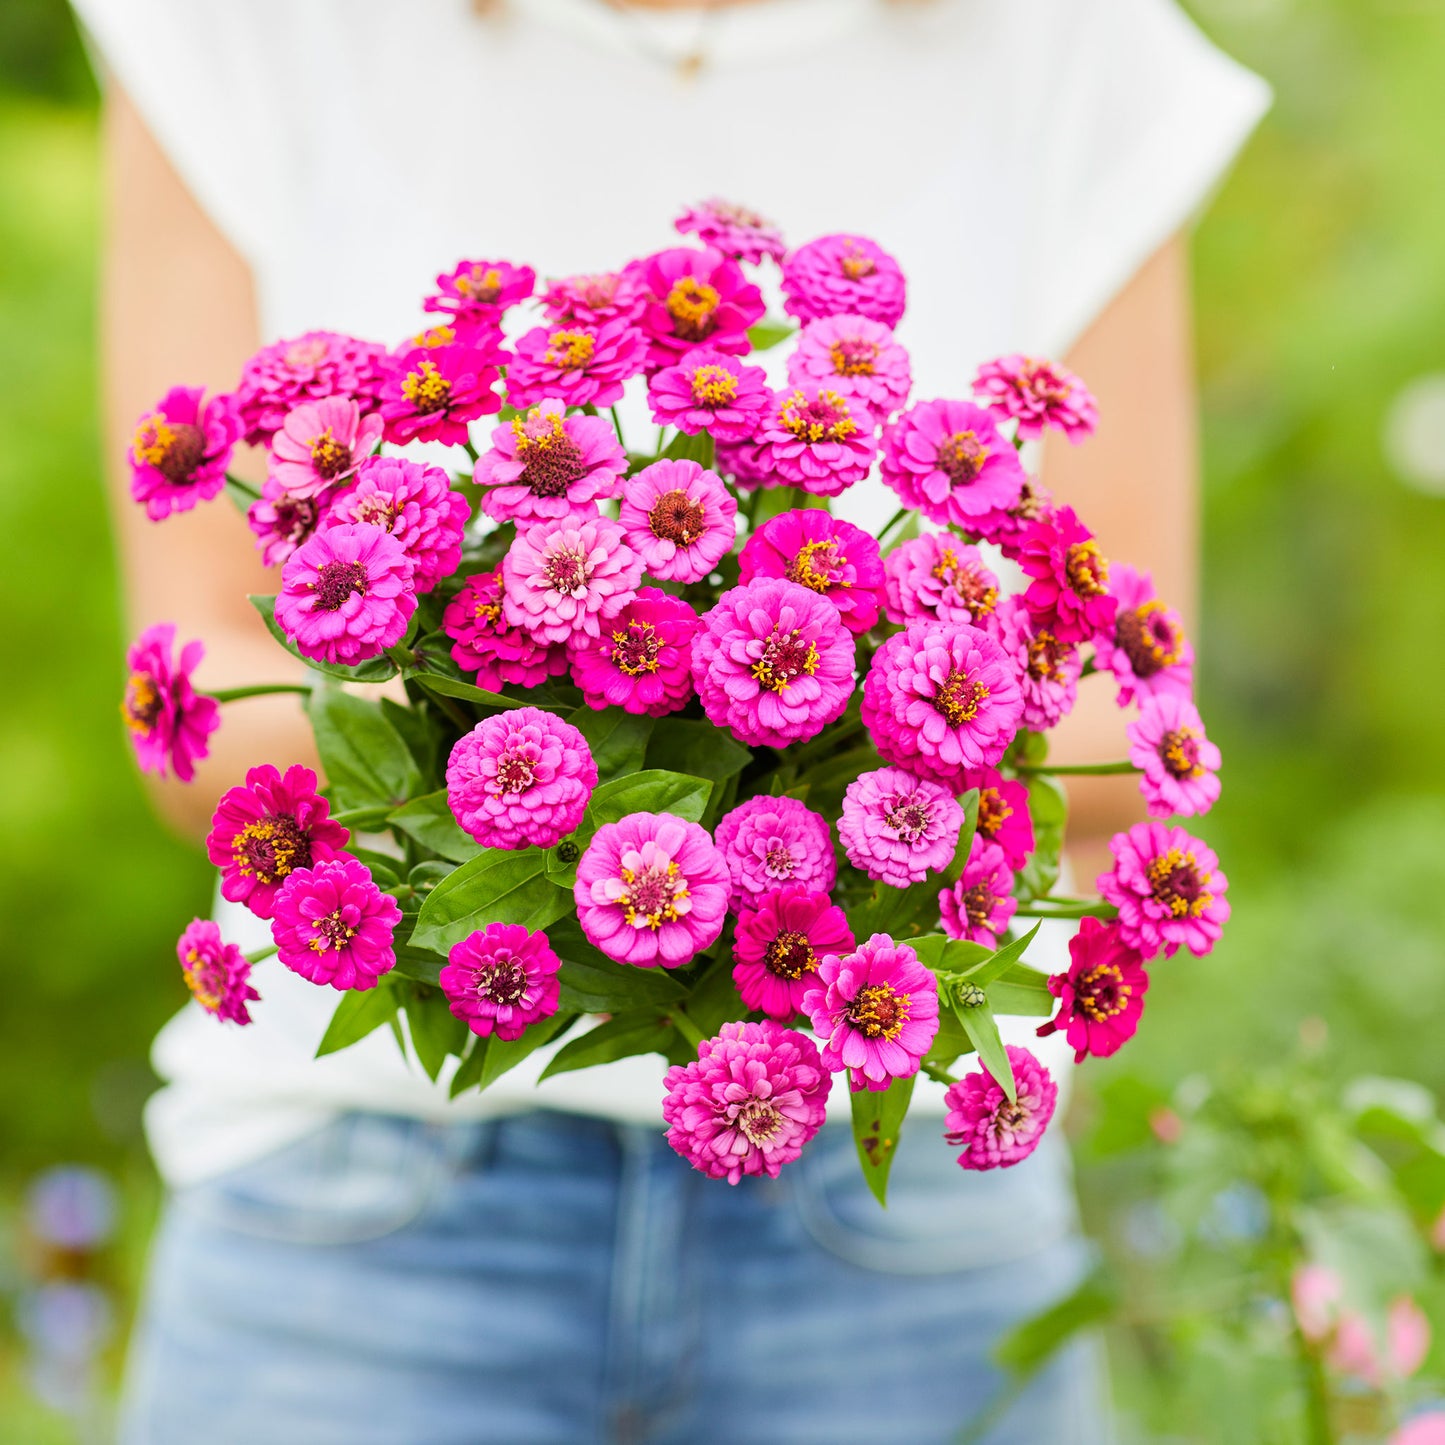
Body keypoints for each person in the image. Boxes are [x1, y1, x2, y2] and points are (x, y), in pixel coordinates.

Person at [74, 0, 1268, 1439]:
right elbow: (194, 706)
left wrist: (756, 728)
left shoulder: (1072, 43)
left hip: (893, 1233)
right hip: (364, 1205)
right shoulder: (243, 30)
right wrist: (556, 702)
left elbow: (1123, 710)